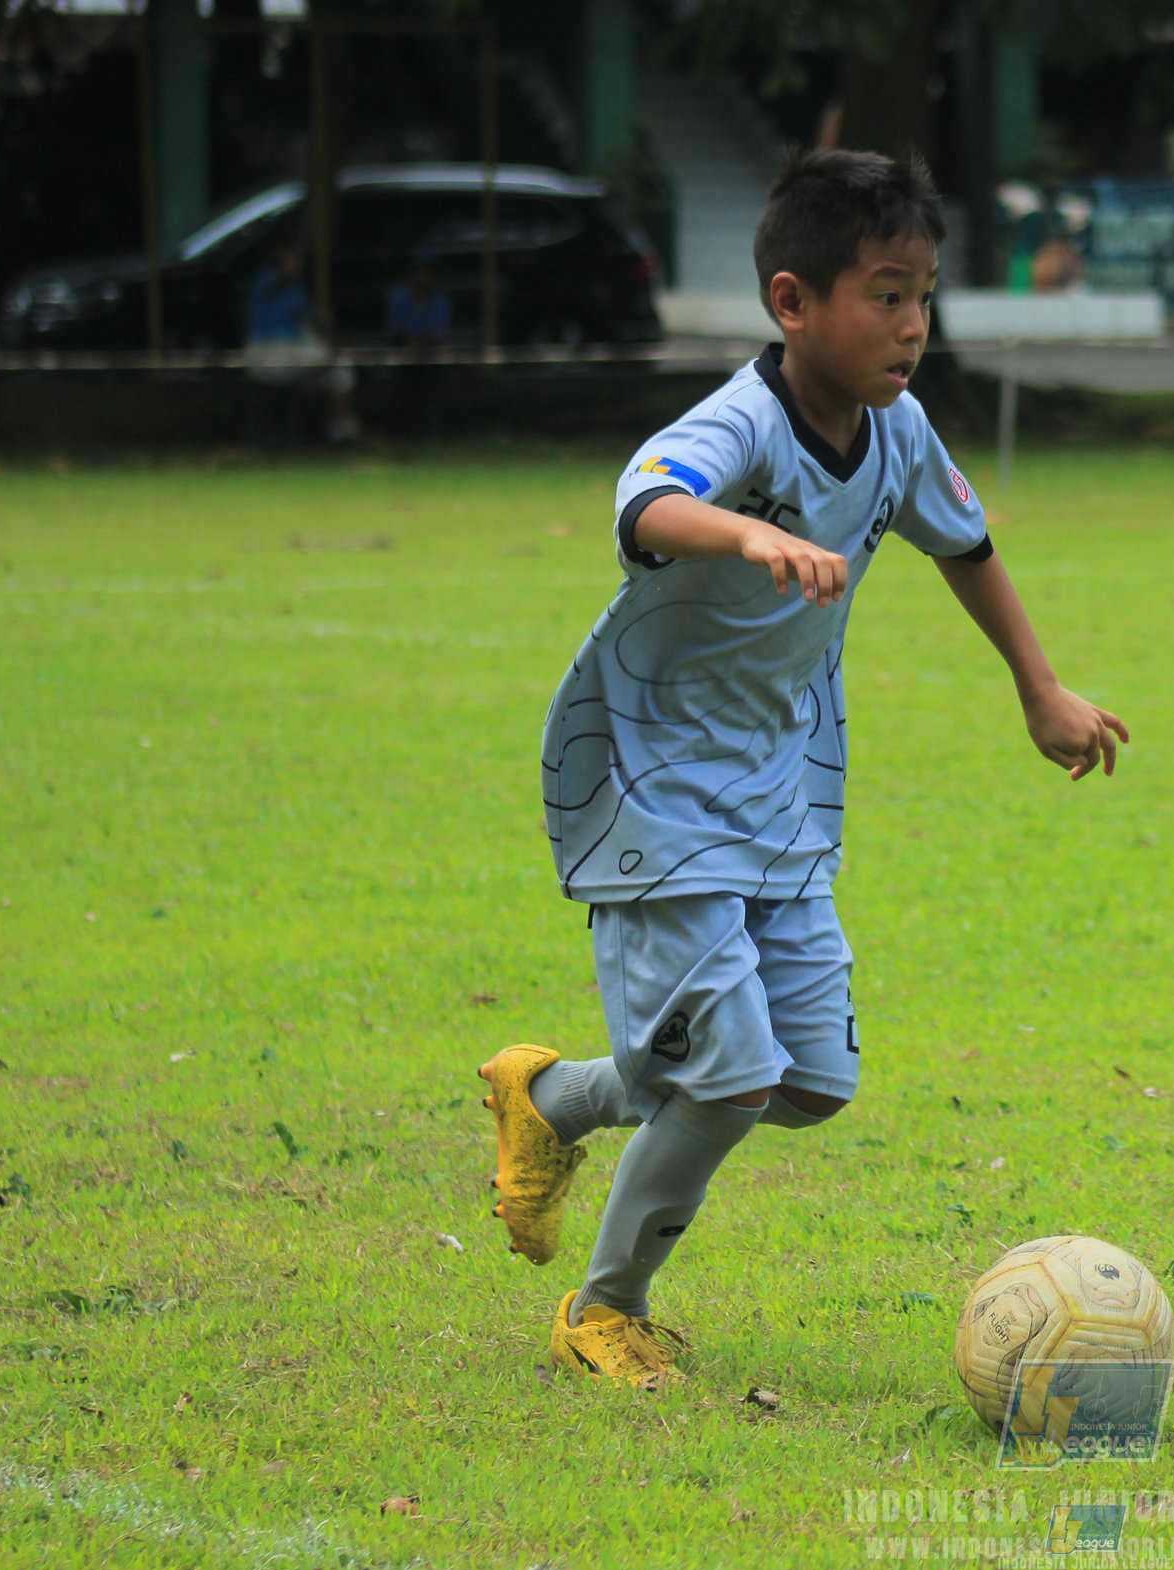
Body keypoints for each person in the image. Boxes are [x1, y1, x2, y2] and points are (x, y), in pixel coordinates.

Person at [475, 149, 1130, 1388]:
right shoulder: (743, 421)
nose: (913, 326)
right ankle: (603, 1307)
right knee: (725, 1077)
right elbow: (644, 501)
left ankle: (555, 1096)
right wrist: (746, 534)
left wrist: (1036, 686)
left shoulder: (898, 427)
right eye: (885, 294)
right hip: (654, 780)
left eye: (925, 295)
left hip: (781, 788)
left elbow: (967, 540)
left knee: (809, 1078)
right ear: (793, 303)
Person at [243, 242, 358, 444]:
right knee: (335, 360)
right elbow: (281, 278)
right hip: (267, 354)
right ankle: (339, 428)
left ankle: (340, 430)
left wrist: (337, 344)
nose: (296, 266)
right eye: (291, 261)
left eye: (296, 262)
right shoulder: (266, 281)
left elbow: (315, 322)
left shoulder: (297, 291)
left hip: (291, 358)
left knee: (340, 368)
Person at [384, 253, 453, 439]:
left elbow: (438, 335)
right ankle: (403, 432)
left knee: (433, 379)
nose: (422, 277)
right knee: (404, 380)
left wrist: (420, 345)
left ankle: (433, 431)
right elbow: (396, 333)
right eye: (418, 272)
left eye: (426, 272)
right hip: (404, 351)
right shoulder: (398, 297)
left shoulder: (440, 300)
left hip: (430, 353)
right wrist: (411, 345)